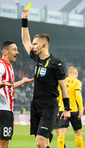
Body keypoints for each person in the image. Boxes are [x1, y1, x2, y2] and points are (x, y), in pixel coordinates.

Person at [21, 10, 71, 148]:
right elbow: (25, 41)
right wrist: (24, 21)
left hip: (49, 105)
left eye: (35, 44)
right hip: (36, 104)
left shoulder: (56, 63)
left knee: (40, 142)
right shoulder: (36, 59)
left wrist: (67, 109)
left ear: (44, 45)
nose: (33, 46)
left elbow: (63, 87)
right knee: (43, 143)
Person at [0, 40, 34, 148]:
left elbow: (9, 86)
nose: (17, 52)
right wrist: (1, 84)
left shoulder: (9, 66)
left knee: (5, 144)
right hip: (0, 109)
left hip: (6, 110)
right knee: (1, 144)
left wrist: (22, 81)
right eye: (14, 49)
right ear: (5, 52)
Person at [57, 66, 84, 148]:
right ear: (76, 73)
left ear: (68, 74)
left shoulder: (62, 82)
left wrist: (60, 106)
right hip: (74, 111)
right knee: (78, 133)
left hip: (63, 110)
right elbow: (78, 95)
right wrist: (81, 108)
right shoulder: (77, 82)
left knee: (62, 133)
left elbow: (57, 96)